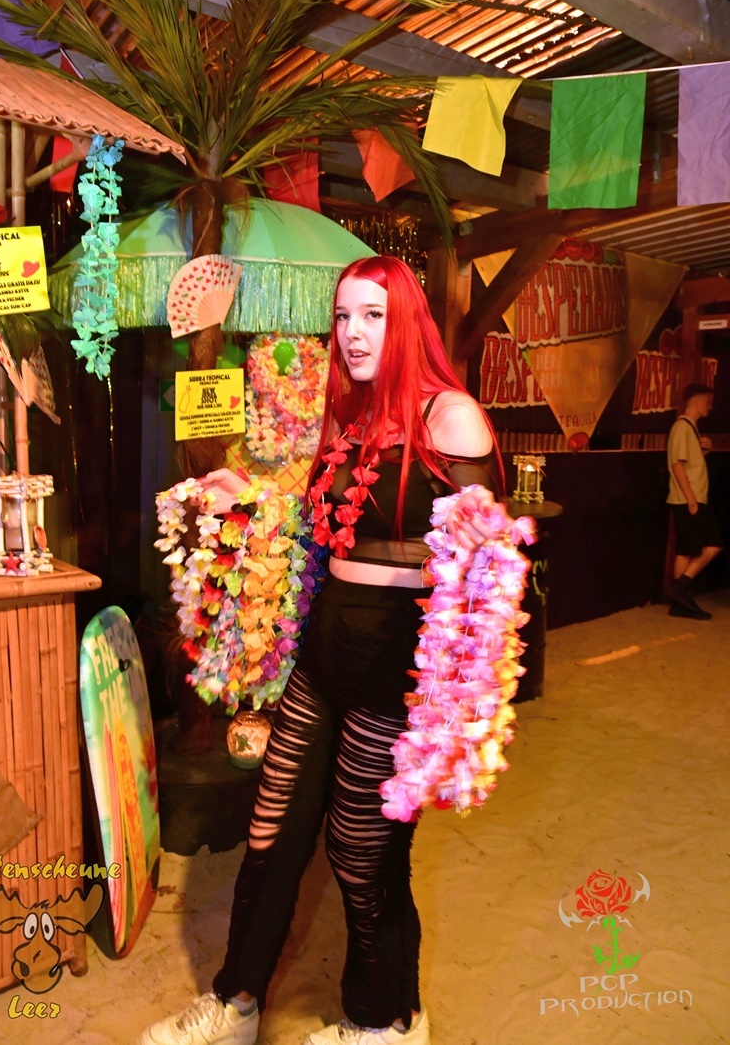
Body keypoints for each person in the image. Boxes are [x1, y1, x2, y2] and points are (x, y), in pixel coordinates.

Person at [138, 256, 503, 1045]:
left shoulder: (451, 418)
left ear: (407, 323)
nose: (354, 333)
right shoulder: (350, 419)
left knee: (361, 851)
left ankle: (388, 1020)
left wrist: (451, 711)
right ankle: (236, 1003)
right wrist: (255, 499)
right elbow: (329, 529)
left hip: (396, 660)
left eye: (373, 315)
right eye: (343, 317)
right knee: (270, 831)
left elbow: (482, 571)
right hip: (327, 648)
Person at [666, 382, 723, 619]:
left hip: (692, 497)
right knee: (712, 544)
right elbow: (677, 465)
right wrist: (691, 498)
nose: (710, 407)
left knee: (687, 549)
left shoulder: (690, 429)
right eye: (708, 402)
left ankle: (680, 599)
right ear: (698, 402)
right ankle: (680, 590)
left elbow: (688, 463)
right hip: (689, 498)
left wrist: (705, 451)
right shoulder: (682, 427)